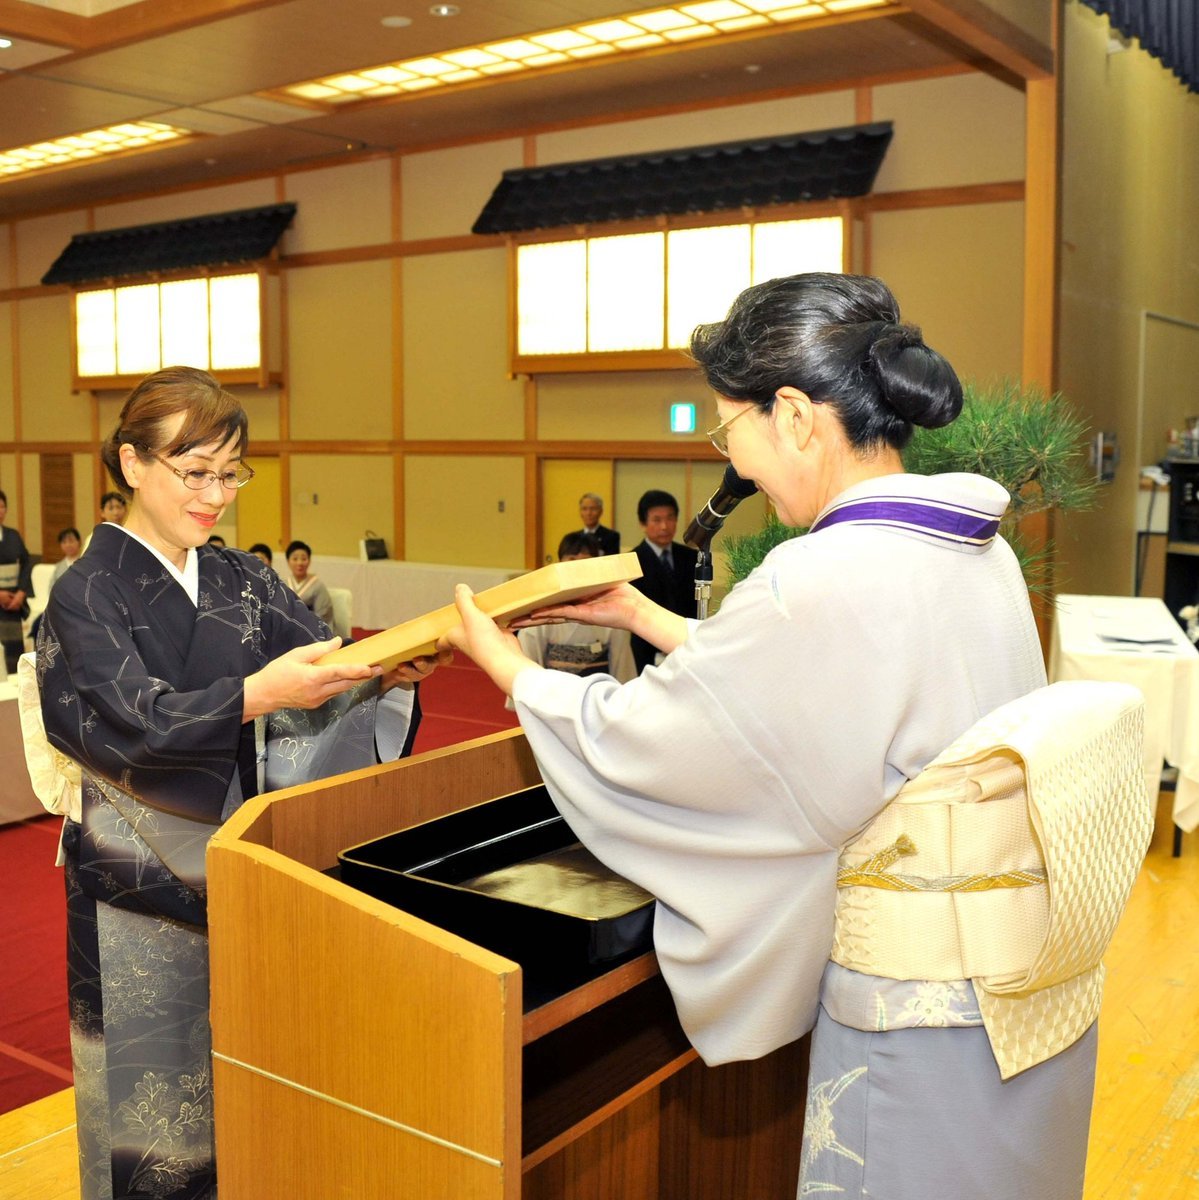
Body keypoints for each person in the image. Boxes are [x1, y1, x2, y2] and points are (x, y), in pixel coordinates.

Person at [441, 274, 1095, 1199]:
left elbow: (662, 738)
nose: (734, 465)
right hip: (1016, 972)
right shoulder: (963, 543)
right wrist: (646, 616)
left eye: (728, 430)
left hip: (919, 1000)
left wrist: (509, 670)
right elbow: (817, 688)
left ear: (791, 414)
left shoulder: (822, 576)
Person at [38, 365, 440, 1200]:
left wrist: (389, 671)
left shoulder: (241, 579)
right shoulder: (85, 593)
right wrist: (258, 695)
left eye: (230, 473)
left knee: (247, 1096)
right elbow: (133, 725)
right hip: (135, 886)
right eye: (195, 472)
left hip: (245, 877)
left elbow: (327, 666)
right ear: (131, 464)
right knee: (147, 1120)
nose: (216, 494)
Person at [508, 532, 635, 699]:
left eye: (585, 562)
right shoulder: (540, 613)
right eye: (572, 560)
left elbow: (622, 669)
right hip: (553, 700)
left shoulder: (611, 613)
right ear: (560, 564)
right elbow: (528, 669)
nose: (578, 569)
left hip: (598, 701)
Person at [627, 488, 699, 673]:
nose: (665, 526)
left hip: (685, 645)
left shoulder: (691, 557)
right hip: (647, 648)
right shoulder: (632, 561)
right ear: (643, 523)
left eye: (670, 518)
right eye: (657, 520)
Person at [0, 488, 32, 673]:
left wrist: (21, 593)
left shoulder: (13, 535)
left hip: (13, 599)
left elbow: (26, 564)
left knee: (13, 649)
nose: (0, 511)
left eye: (2, 506)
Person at [284, 538, 335, 626]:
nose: (299, 563)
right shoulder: (284, 585)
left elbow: (323, 615)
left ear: (309, 561)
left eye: (304, 559)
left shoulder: (318, 586)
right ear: (288, 561)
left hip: (312, 631)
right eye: (295, 559)